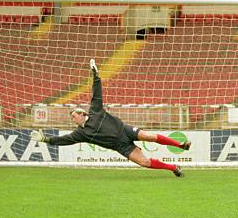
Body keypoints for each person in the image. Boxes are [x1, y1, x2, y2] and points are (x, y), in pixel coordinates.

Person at [30, 59, 190, 177]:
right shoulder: (81, 134)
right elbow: (63, 140)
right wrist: (46, 139)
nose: (73, 120)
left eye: (74, 117)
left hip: (125, 131)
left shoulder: (95, 111)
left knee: (149, 136)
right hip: (120, 146)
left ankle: (180, 145)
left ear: (81, 114)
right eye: (72, 118)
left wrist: (96, 75)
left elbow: (97, 92)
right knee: (144, 163)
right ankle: (173, 168)